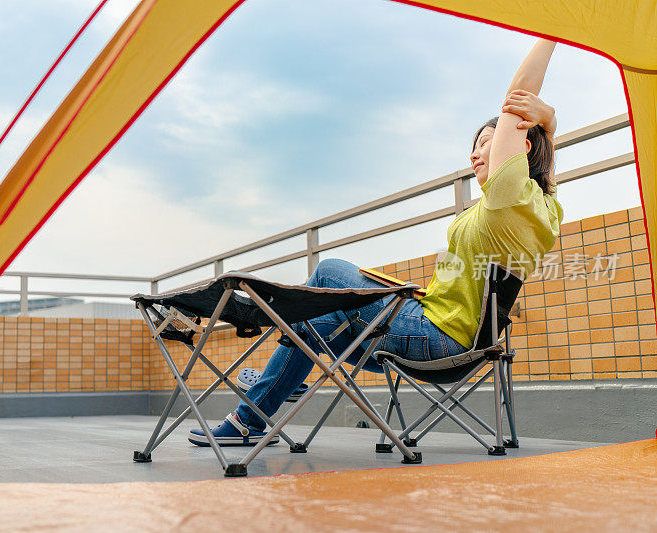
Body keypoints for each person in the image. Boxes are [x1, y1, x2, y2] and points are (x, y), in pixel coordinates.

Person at [189, 38, 564, 446]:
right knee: (317, 324)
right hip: (445, 332)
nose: (476, 155)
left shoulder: (505, 197)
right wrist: (551, 120)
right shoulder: (546, 209)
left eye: (487, 143)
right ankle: (252, 417)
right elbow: (544, 150)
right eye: (472, 148)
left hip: (437, 339)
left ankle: (276, 384)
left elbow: (516, 99)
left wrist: (550, 32)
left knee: (330, 270)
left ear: (520, 145)